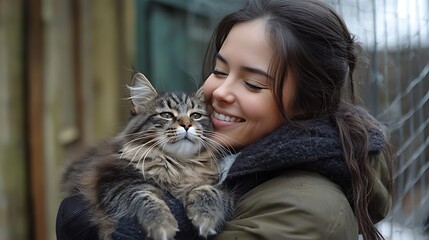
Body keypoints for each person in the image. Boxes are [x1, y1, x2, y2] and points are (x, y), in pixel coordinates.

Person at [56, 0, 394, 239]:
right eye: (219, 70)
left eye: (252, 83)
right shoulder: (228, 157)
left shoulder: (308, 209)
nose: (219, 92)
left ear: (307, 104)